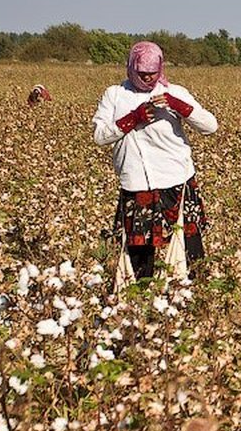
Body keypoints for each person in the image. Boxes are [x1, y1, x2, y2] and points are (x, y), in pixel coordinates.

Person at [91, 42, 218, 279]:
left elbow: (210, 126)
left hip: (176, 179)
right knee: (139, 253)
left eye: (152, 72)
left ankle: (193, 299)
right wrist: (133, 118)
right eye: (142, 73)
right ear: (131, 68)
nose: (148, 77)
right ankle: (140, 300)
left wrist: (178, 106)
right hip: (136, 182)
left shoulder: (174, 92)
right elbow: (99, 136)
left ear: (160, 68)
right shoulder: (115, 95)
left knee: (187, 249)